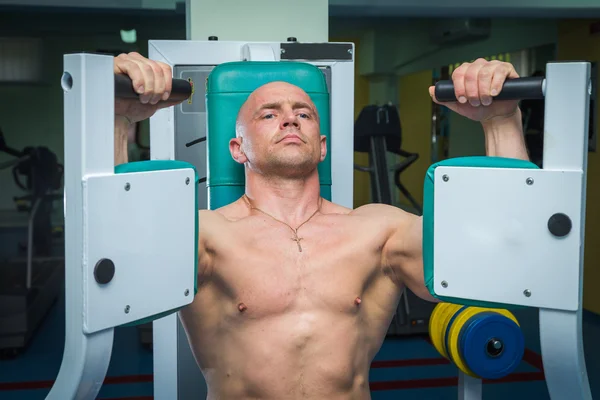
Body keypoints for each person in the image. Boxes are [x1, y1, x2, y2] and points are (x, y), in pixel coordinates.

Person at [113, 52, 530, 399]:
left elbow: (494, 261)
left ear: (323, 145)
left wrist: (501, 120)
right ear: (238, 149)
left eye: (304, 114)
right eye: (269, 115)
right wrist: (118, 120)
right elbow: (117, 259)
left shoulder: (377, 231)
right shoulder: (205, 235)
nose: (290, 120)